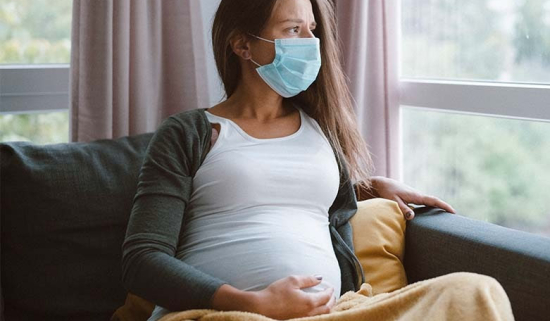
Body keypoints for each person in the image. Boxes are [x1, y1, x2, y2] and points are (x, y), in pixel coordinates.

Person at [121, 0, 513, 320]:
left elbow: (307, 195)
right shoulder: (191, 132)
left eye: (311, 30)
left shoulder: (321, 131)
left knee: (475, 291)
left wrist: (372, 185)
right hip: (220, 314)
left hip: (331, 312)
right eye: (292, 30)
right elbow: (142, 260)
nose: (310, 42)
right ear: (242, 45)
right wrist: (251, 303)